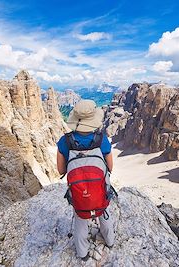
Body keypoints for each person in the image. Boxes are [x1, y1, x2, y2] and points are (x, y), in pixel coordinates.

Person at [56, 99, 115, 261]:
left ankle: (82, 254)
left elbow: (61, 170)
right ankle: (110, 241)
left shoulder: (65, 141)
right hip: (100, 188)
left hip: (79, 191)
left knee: (80, 218)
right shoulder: (101, 139)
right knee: (104, 212)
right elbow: (110, 167)